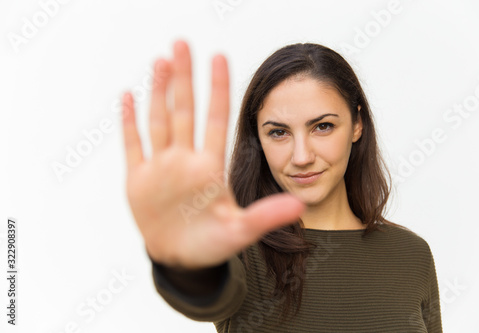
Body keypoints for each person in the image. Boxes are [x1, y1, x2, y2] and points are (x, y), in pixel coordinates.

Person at [121, 40, 443, 332]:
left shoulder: (412, 255)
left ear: (357, 124)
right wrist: (186, 261)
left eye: (323, 126)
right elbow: (207, 292)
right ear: (258, 140)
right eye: (278, 133)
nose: (301, 157)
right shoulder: (242, 250)